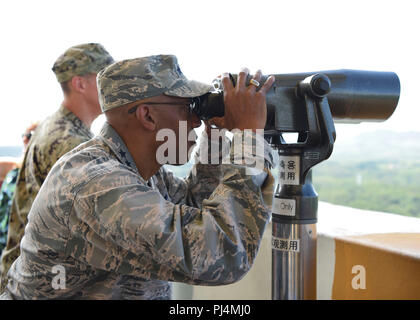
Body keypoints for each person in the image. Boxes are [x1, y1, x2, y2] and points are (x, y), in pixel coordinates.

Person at [1, 55, 276, 300]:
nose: (195, 120)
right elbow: (223, 255)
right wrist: (249, 136)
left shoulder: (139, 171)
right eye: (188, 107)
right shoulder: (96, 185)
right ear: (147, 115)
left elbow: (195, 206)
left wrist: (216, 134)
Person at [0, 43, 114, 291]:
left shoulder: (57, 126)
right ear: (80, 84)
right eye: (104, 77)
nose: (112, 86)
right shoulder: (70, 143)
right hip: (41, 283)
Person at [0, 123, 38, 255]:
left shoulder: (34, 178)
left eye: (29, 136)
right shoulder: (13, 174)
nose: (24, 139)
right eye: (24, 135)